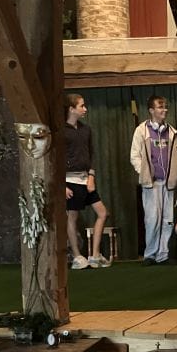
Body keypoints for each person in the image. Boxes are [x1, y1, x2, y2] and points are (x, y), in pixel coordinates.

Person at [130, 95, 177, 265]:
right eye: (160, 107)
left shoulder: (171, 131)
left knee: (168, 219)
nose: (164, 110)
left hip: (168, 183)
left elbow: (176, 154)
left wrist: (176, 173)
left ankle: (163, 254)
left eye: (165, 107)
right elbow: (134, 156)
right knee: (152, 219)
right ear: (151, 110)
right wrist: (144, 172)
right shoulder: (142, 130)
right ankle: (150, 254)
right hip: (151, 183)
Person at [64, 94, 108, 270]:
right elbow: (55, 159)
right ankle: (77, 256)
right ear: (71, 109)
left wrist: (91, 176)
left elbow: (91, 154)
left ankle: (95, 255)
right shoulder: (61, 131)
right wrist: (62, 185)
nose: (85, 109)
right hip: (69, 179)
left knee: (102, 213)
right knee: (72, 217)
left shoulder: (86, 129)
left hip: (85, 178)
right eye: (81, 106)